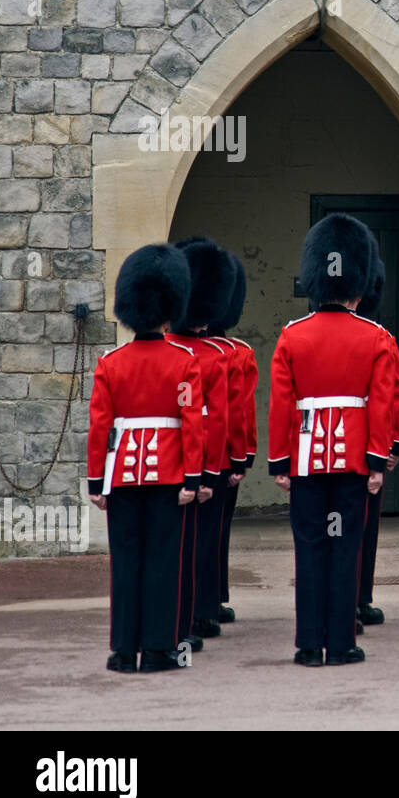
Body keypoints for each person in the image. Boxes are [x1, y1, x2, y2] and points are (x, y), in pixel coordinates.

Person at [269, 213, 394, 666]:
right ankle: (340, 643)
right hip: (353, 465)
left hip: (306, 462)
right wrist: (377, 463)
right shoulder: (375, 337)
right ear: (357, 285)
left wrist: (281, 463)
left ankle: (307, 644)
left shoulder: (291, 336)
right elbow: (380, 404)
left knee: (309, 548)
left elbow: (281, 403)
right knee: (345, 548)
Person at [87, 244, 204, 673]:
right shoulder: (184, 362)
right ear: (170, 309)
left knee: (126, 563)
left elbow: (100, 426)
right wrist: (192, 478)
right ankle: (158, 649)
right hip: (169, 476)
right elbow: (192, 422)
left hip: (121, 478)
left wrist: (96, 482)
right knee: (162, 564)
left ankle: (122, 650)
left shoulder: (111, 363)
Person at [167, 238, 237, 648]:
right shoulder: (215, 356)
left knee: (172, 545)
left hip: (161, 465)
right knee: (201, 541)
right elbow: (218, 419)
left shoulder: (167, 351)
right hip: (203, 462)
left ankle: (174, 619)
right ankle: (196, 612)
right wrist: (211, 471)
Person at [354, 252, 399, 631]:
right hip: (367, 448)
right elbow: (395, 395)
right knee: (363, 528)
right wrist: (393, 445)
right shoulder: (380, 339)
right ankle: (358, 599)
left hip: (315, 455)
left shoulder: (297, 333)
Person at [209, 250, 257, 625]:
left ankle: (186, 605)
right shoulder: (233, 354)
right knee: (215, 531)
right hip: (220, 457)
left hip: (173, 460)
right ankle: (211, 599)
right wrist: (242, 457)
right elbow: (239, 413)